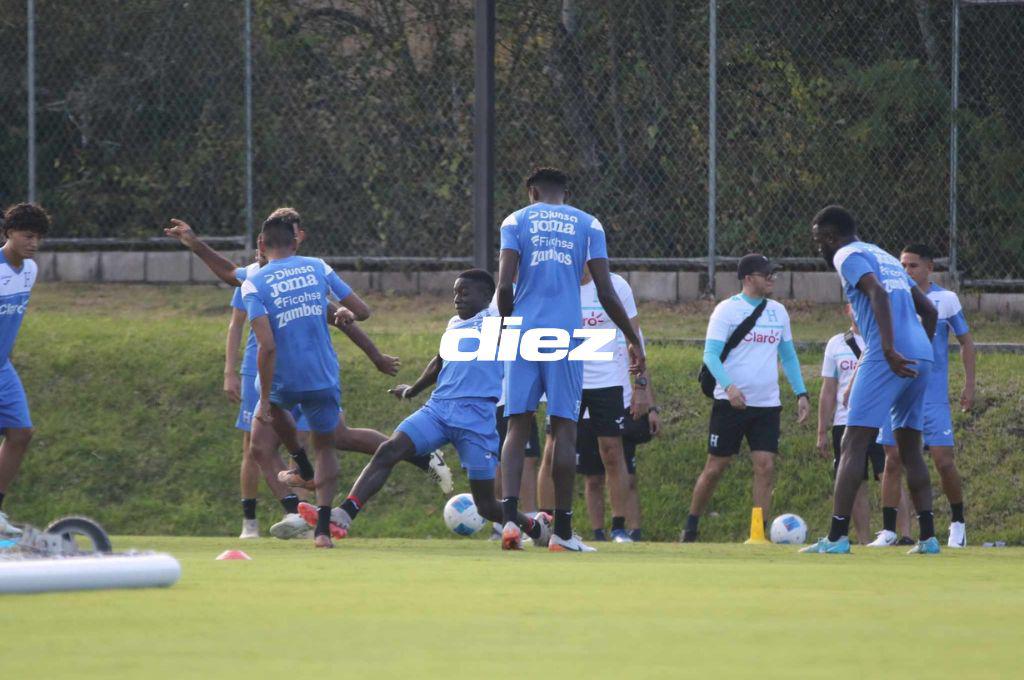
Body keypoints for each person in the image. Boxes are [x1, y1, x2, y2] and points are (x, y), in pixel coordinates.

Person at [325, 270, 551, 547]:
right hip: (439, 410)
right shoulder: (455, 323)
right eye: (455, 292)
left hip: (477, 419)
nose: (457, 298)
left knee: (487, 506)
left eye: (464, 293)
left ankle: (533, 526)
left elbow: (510, 302)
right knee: (389, 450)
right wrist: (413, 390)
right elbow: (439, 361)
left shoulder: (498, 323)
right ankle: (344, 514)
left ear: (486, 296)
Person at [496, 167, 645, 552]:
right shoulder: (588, 224)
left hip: (524, 334)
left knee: (517, 427)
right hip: (567, 337)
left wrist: (510, 328)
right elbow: (607, 293)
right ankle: (562, 533)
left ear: (531, 191)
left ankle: (510, 522)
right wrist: (632, 340)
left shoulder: (515, 220)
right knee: (564, 429)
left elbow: (503, 286)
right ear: (565, 192)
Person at [802, 205, 939, 555]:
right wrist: (919, 347)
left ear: (831, 237)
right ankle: (929, 539)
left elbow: (876, 293)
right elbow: (930, 310)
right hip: (922, 353)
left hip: (887, 353)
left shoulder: (846, 255)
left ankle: (836, 538)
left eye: (820, 241)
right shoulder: (884, 255)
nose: (820, 248)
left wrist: (890, 350)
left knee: (853, 443)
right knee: (910, 447)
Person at [682, 254, 810, 542]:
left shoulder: (778, 311)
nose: (772, 279)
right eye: (766, 275)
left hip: (766, 405)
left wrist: (801, 392)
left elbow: (787, 356)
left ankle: (758, 534)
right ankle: (691, 525)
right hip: (730, 403)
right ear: (748, 278)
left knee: (765, 465)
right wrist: (729, 388)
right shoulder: (726, 310)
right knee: (715, 468)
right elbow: (710, 356)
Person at [538, 267, 656, 542]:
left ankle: (618, 527)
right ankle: (545, 524)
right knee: (553, 449)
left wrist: (641, 390)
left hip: (607, 381)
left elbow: (634, 341)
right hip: (566, 379)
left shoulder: (616, 286)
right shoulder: (555, 285)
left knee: (613, 452)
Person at [872, 244, 975, 548]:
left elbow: (966, 343)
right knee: (892, 459)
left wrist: (969, 386)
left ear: (930, 267)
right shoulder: (893, 298)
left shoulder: (946, 300)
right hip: (897, 392)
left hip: (932, 397)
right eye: (902, 266)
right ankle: (889, 530)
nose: (906, 271)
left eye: (913, 266)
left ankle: (957, 522)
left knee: (943, 461)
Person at [817, 304, 888, 544]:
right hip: (845, 422)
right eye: (855, 306)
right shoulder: (836, 343)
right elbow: (828, 390)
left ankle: (903, 535)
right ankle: (864, 540)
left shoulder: (882, 339)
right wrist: (822, 430)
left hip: (879, 419)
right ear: (848, 310)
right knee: (855, 481)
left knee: (888, 473)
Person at [0, 203, 49, 536]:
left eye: (38, 237)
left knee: (21, 434)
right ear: (8, 233)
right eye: (26, 236)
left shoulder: (30, 270)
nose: (33, 243)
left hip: (3, 367)